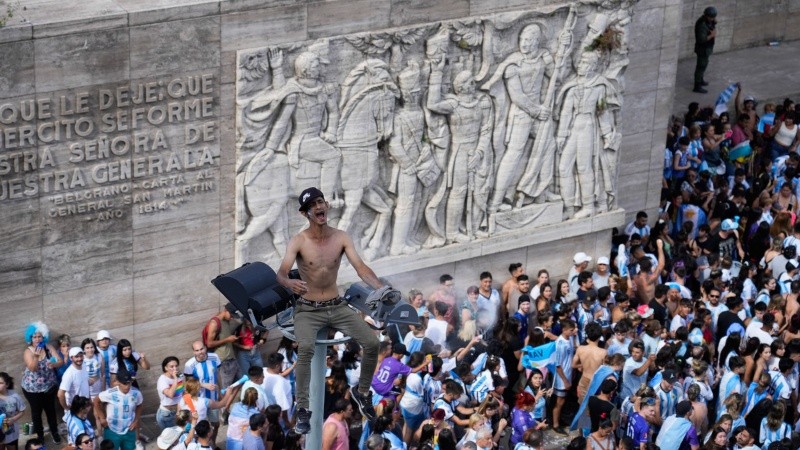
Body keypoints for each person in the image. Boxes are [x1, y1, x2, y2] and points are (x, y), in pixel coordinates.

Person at [276, 187, 384, 433]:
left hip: (336, 305)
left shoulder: (341, 237)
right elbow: (281, 273)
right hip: (308, 309)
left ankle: (362, 391)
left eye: (321, 201)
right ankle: (302, 408)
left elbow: (361, 267)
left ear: (326, 206)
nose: (318, 206)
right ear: (306, 213)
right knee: (304, 349)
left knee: (372, 342)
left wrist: (380, 288)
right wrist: (289, 282)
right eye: (312, 205)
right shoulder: (299, 241)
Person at [21, 322, 63, 444]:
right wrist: (35, 356)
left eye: (39, 336)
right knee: (36, 412)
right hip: (32, 389)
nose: (37, 339)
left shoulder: (48, 347)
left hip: (49, 386)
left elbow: (60, 361)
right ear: (30, 338)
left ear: (44, 337)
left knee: (51, 410)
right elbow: (33, 368)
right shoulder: (28, 352)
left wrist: (54, 364)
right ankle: (40, 436)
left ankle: (54, 432)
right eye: (34, 337)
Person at [93, 372, 143, 450]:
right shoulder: (110, 393)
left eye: (129, 383)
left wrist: (136, 420)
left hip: (129, 430)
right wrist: (102, 418)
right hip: (112, 429)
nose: (127, 386)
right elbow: (96, 401)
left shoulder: (136, 393)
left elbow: (140, 405)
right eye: (124, 383)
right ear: (118, 382)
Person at [57, 347, 90, 413]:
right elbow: (60, 394)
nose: (79, 359)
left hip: (84, 406)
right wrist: (66, 408)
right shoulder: (69, 374)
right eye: (76, 357)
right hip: (74, 408)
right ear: (71, 358)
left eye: (81, 356)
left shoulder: (84, 365)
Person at [693, 6, 717, 93]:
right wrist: (712, 35)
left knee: (704, 65)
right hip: (702, 49)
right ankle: (697, 86)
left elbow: (710, 26)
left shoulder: (707, 21)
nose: (713, 19)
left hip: (706, 49)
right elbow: (701, 39)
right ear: (707, 16)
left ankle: (701, 80)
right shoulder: (702, 25)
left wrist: (714, 23)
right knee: (700, 67)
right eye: (712, 17)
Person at [0, 372, 26, 450]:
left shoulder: (14, 397)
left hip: (11, 432)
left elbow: (22, 411)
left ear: (7, 385)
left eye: (1, 383)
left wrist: (13, 419)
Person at [156, 357, 183, 429]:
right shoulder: (163, 380)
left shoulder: (180, 376)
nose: (175, 368)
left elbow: (183, 392)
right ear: (166, 368)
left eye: (176, 366)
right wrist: (175, 379)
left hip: (179, 412)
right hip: (168, 414)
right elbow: (170, 394)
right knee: (172, 438)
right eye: (172, 366)